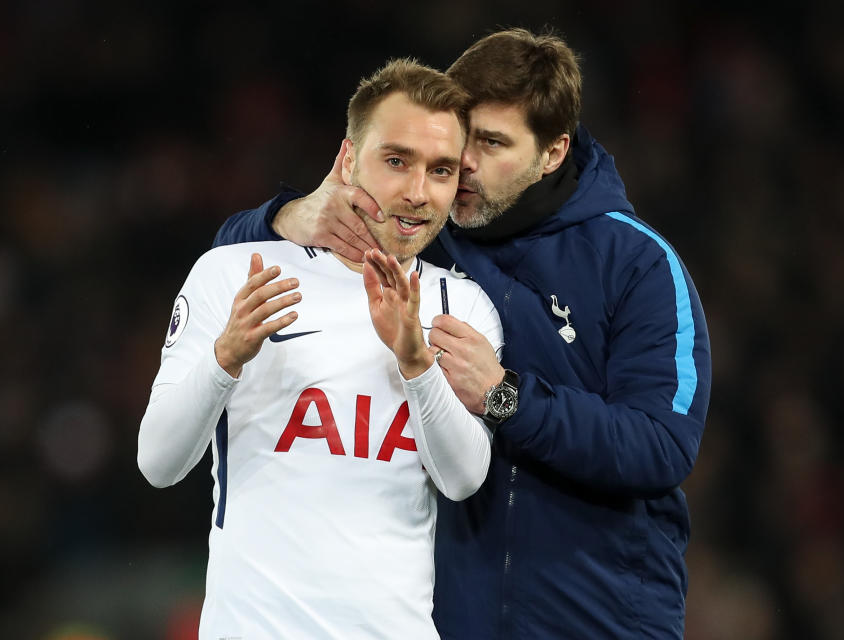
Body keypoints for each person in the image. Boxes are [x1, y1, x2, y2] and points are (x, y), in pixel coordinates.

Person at [214, 28, 712, 639]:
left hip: (598, 619)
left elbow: (662, 445)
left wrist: (507, 397)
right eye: (461, 139)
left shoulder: (637, 264)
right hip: (450, 620)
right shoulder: (421, 234)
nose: (465, 165)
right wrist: (292, 214)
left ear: (553, 152)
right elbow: (227, 264)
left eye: (493, 143)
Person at [138, 59, 504, 639]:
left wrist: (416, 363)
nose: (416, 192)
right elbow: (157, 463)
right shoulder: (235, 273)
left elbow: (463, 481)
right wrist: (225, 357)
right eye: (395, 160)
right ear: (347, 159)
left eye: (439, 170)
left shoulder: (462, 305)